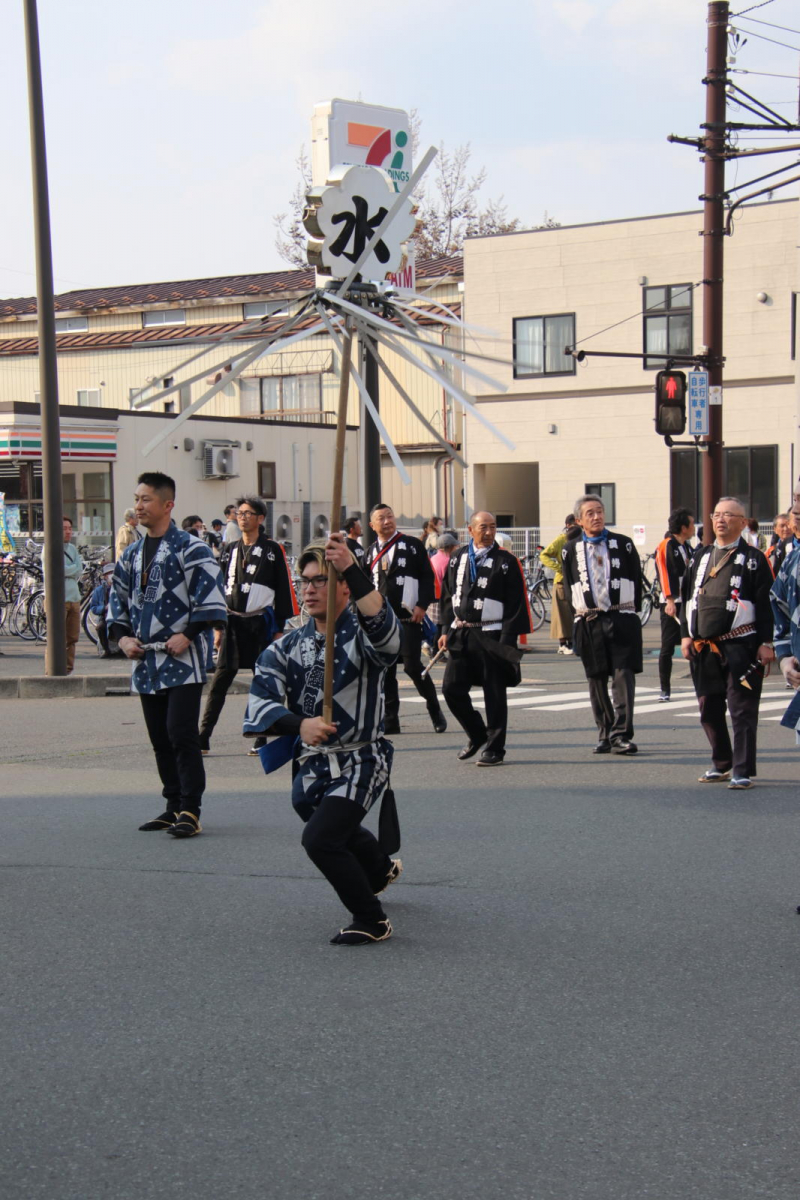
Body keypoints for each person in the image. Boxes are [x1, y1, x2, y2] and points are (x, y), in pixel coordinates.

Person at [243, 534, 402, 946]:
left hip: (362, 757)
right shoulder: (289, 644)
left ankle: (371, 918)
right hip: (313, 758)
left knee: (321, 839)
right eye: (305, 581)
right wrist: (299, 724)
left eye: (321, 580)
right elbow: (260, 700)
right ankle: (380, 868)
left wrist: (350, 565)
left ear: (343, 587)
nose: (310, 589)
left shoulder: (362, 636)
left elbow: (389, 636)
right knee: (315, 813)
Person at [108, 471, 227, 837]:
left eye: (145, 499)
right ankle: (172, 803)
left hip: (182, 658)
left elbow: (212, 603)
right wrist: (123, 638)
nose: (138, 506)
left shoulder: (192, 548)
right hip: (146, 660)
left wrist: (188, 635)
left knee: (181, 733)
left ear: (167, 504)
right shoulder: (130, 553)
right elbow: (118, 604)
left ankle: (191, 809)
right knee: (159, 737)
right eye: (137, 498)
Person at [680, 497, 774, 790]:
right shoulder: (699, 556)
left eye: (729, 515)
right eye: (716, 515)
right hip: (704, 645)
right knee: (708, 707)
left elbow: (765, 603)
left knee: (742, 708)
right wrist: (685, 634)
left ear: (743, 523)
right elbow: (686, 598)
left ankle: (742, 769)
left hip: (741, 645)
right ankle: (721, 762)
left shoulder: (755, 558)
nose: (721, 520)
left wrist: (766, 642)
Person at [199, 496, 297, 755]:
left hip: (260, 624)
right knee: (220, 681)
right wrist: (218, 627)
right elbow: (220, 588)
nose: (242, 517)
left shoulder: (272, 549)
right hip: (232, 622)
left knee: (263, 681)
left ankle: (261, 736)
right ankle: (203, 735)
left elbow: (284, 590)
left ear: (260, 518)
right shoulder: (230, 548)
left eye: (248, 513)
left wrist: (279, 628)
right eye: (239, 513)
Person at [438, 511, 532, 766]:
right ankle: (477, 732)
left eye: (493, 527)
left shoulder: (506, 561)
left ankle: (495, 748)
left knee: (494, 692)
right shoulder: (457, 557)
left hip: (492, 633)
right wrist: (444, 629)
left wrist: (507, 640)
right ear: (470, 530)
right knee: (451, 688)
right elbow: (448, 597)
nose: (489, 532)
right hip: (462, 632)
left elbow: (516, 603)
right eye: (483, 527)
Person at [562, 493, 643, 755]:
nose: (597, 517)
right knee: (596, 679)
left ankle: (622, 734)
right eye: (590, 513)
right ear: (578, 520)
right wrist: (576, 618)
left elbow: (636, 582)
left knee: (623, 676)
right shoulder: (570, 548)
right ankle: (605, 732)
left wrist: (632, 614)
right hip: (589, 619)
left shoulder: (624, 544)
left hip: (621, 617)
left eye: (600, 511)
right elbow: (569, 583)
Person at [364, 503, 446, 735]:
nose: (387, 521)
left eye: (390, 516)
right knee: (386, 670)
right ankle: (391, 720)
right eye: (381, 518)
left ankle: (434, 708)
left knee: (412, 666)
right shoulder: (370, 551)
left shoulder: (411, 545)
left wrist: (422, 605)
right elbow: (362, 585)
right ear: (372, 525)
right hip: (381, 621)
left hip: (408, 618)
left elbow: (427, 577)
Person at [654, 507, 695, 701]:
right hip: (672, 603)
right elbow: (664, 572)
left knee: (695, 642)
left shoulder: (686, 546)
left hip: (687, 601)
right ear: (683, 527)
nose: (694, 527)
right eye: (692, 523)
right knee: (667, 647)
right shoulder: (666, 545)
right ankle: (665, 688)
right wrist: (670, 600)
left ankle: (700, 683)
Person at [771, 501, 800, 735]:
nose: (797, 509)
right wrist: (784, 656)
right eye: (796, 500)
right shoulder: (791, 556)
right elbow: (778, 604)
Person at [540, 520, 581, 654]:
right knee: (562, 614)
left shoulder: (582, 539)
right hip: (562, 582)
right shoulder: (561, 540)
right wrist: (560, 568)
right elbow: (543, 555)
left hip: (576, 582)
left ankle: (572, 642)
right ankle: (564, 644)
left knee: (573, 613)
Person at [52, 516, 83, 674]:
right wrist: (70, 569)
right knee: (56, 639)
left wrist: (68, 569)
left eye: (70, 528)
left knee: (72, 638)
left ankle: (68, 670)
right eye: (64, 528)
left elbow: (79, 569)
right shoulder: (50, 548)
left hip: (74, 598)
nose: (68, 531)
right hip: (59, 600)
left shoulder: (72, 549)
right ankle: (52, 670)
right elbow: (56, 570)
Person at [428, 532, 460, 643]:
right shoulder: (448, 561)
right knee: (442, 624)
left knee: (436, 624)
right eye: (454, 546)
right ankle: (437, 650)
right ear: (449, 547)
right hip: (443, 597)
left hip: (433, 596)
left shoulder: (433, 558)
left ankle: (432, 648)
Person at [88, 562, 119, 658]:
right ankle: (106, 650)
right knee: (101, 627)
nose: (111, 575)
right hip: (105, 617)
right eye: (109, 573)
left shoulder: (122, 587)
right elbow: (93, 608)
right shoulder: (99, 590)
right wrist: (104, 608)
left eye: (113, 572)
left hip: (120, 616)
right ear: (105, 576)